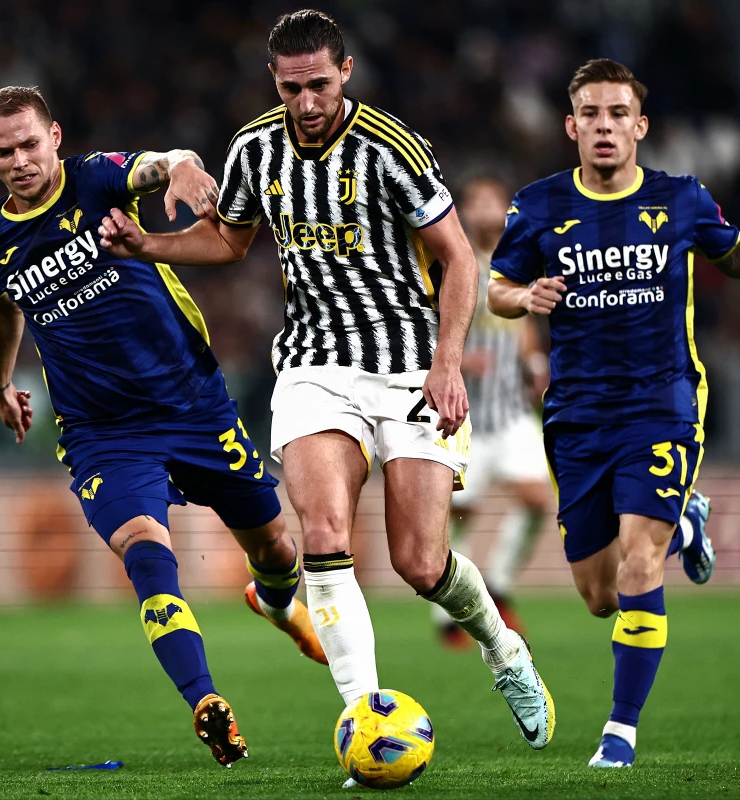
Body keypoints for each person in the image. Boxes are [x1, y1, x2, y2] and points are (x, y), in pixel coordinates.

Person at [99, 9, 554, 752]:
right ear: (274, 82)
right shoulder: (253, 149)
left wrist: (447, 363)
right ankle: (367, 719)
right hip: (315, 364)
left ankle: (503, 649)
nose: (306, 103)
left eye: (317, 85)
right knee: (324, 535)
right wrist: (147, 243)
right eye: (290, 88)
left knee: (421, 562)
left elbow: (460, 259)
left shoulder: (393, 148)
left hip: (409, 363)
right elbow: (228, 237)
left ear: (345, 73)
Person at [0, 85, 329, 768]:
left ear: (55, 137)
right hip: (102, 431)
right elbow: (0, 303)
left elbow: (160, 163)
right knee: (146, 551)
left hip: (192, 404)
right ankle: (205, 701)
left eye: (29, 144)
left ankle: (276, 603)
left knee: (277, 547)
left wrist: (184, 168)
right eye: (3, 151)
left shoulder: (96, 181)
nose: (20, 160)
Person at [487, 59, 740, 768]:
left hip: (661, 403)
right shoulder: (538, 206)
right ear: (570, 125)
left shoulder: (682, 198)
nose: (604, 126)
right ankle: (688, 521)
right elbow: (496, 288)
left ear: (639, 126)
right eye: (591, 114)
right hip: (576, 417)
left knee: (642, 563)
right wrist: (526, 299)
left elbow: (734, 258)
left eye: (617, 114)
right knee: (599, 595)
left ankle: (620, 732)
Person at [433, 176, 554, 644]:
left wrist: (535, 362)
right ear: (464, 210)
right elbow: (426, 325)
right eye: (477, 201)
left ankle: (499, 587)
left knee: (538, 502)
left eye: (493, 202)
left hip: (510, 414)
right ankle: (448, 617)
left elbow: (521, 323)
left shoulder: (516, 261)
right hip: (464, 415)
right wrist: (459, 360)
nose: (485, 210)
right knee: (458, 514)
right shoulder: (449, 261)